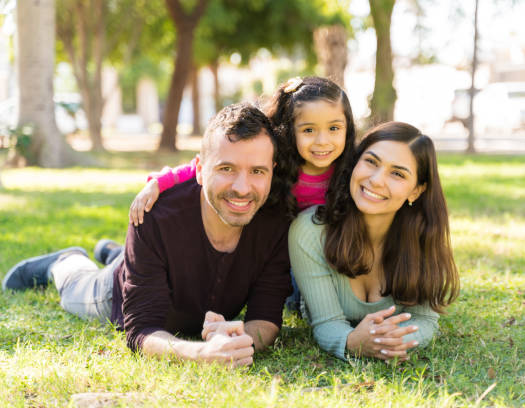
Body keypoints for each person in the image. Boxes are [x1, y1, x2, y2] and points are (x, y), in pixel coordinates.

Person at [2, 103, 292, 367]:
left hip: (152, 267)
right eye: (226, 169)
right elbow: (140, 330)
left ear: (271, 172)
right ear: (200, 170)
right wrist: (201, 354)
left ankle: (117, 252)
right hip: (112, 292)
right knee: (77, 289)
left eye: (257, 171)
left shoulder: (275, 222)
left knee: (144, 261)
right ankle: (65, 261)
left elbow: (265, 317)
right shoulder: (156, 215)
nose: (242, 188)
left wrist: (241, 341)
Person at [127, 76, 357, 309]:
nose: (322, 141)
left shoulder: (352, 170)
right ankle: (115, 254)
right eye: (308, 130)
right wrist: (159, 182)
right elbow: (207, 166)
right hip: (287, 262)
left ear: (347, 128)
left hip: (325, 257)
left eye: (334, 128)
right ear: (289, 129)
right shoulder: (276, 163)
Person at [288, 122, 460, 361]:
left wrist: (392, 340)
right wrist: (352, 342)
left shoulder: (423, 236)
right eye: (371, 162)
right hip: (299, 288)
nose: (377, 180)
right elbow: (327, 323)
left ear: (416, 191)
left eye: (397, 174)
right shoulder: (310, 231)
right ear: (355, 163)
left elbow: (425, 320)